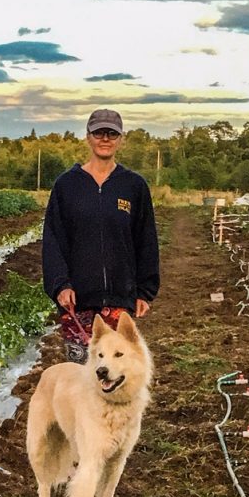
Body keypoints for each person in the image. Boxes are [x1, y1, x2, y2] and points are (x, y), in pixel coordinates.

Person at [42, 109, 160, 359]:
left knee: (115, 372)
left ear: (120, 139)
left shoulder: (133, 186)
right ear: (88, 137)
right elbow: (53, 240)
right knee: (81, 374)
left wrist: (144, 291)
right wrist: (60, 285)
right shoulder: (67, 185)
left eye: (111, 133)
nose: (105, 139)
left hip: (120, 301)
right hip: (78, 301)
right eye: (99, 133)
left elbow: (146, 240)